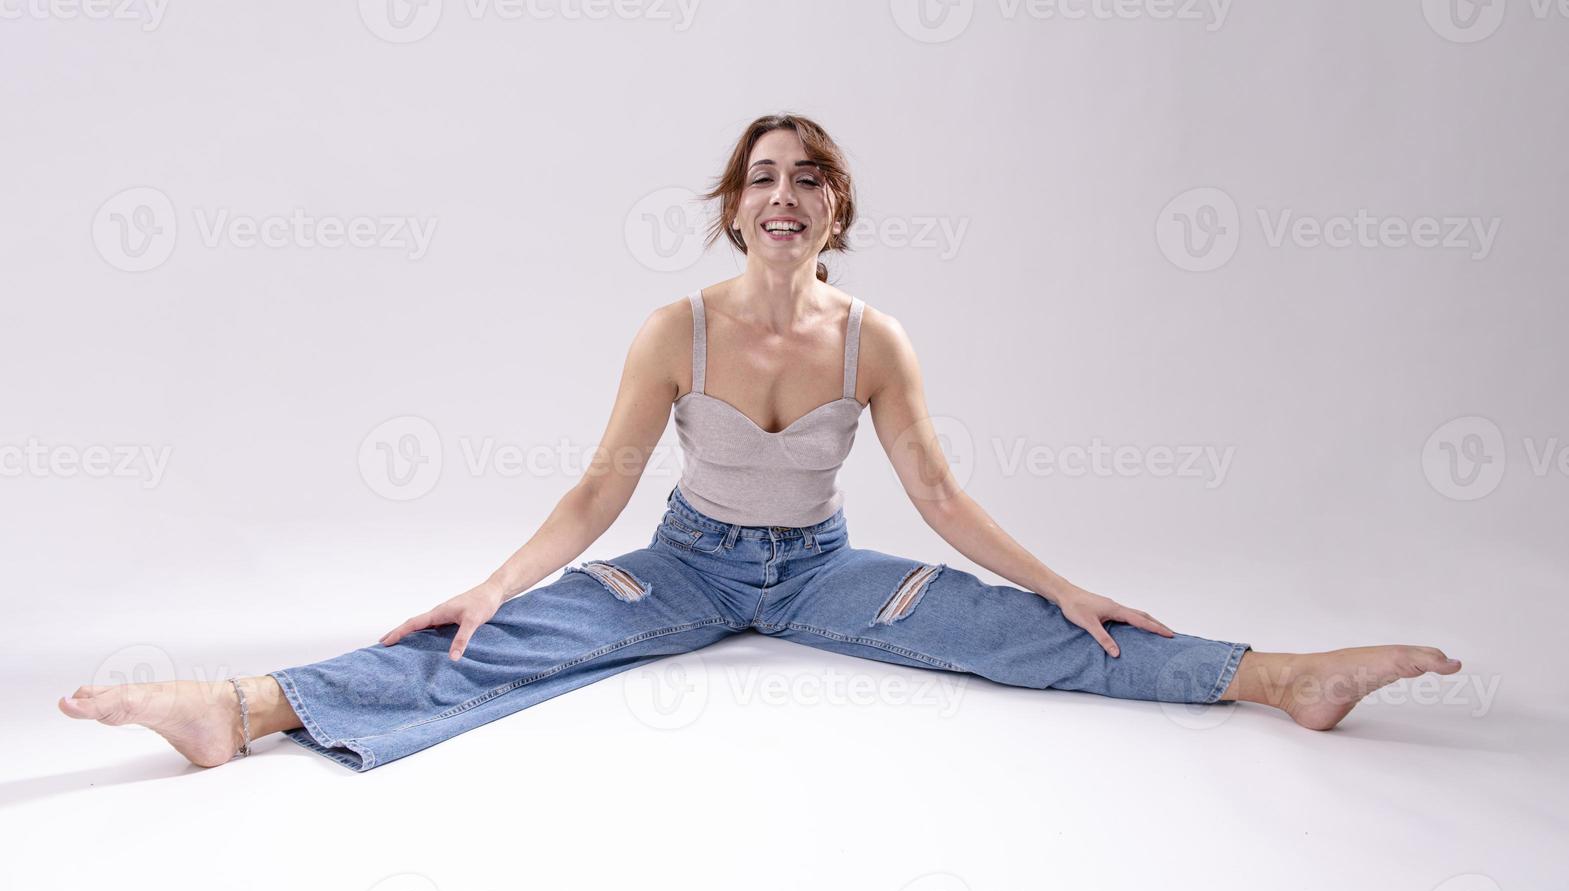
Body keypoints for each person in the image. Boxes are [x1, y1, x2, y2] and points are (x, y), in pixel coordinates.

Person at [58, 112, 1461, 772]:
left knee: (1032, 636)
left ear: (836, 207)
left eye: (810, 178)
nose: (784, 196)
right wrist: (492, 581)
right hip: (684, 567)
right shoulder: (673, 327)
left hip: (818, 570)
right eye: (761, 179)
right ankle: (241, 708)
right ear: (731, 208)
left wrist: (1061, 582)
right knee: (497, 639)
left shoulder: (876, 340)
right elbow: (600, 483)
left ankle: (1275, 677)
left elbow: (940, 495)